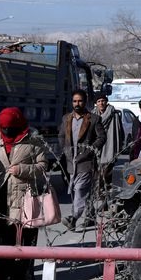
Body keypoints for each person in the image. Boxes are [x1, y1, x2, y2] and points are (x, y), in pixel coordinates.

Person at [0, 107, 49, 280]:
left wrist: (22, 170)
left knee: (21, 239)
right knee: (0, 240)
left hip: (24, 196)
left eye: (10, 128)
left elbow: (43, 166)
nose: (6, 132)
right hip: (0, 197)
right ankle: (0, 276)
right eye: (4, 128)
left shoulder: (33, 139)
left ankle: (18, 277)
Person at [57, 89, 106, 232]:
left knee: (80, 190)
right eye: (74, 101)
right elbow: (61, 136)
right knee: (75, 191)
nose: (77, 104)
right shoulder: (66, 118)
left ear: (85, 102)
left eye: (80, 101)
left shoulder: (94, 119)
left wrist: (89, 150)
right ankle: (86, 215)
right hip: (71, 163)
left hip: (86, 162)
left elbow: (101, 137)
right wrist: (65, 149)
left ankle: (73, 217)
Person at [94, 94, 125, 202]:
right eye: (99, 101)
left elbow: (120, 131)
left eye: (103, 101)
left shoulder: (114, 114)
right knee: (98, 173)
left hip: (110, 146)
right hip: (98, 147)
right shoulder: (93, 115)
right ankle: (103, 196)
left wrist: (119, 146)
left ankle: (104, 197)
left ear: (106, 102)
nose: (101, 103)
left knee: (106, 172)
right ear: (96, 103)